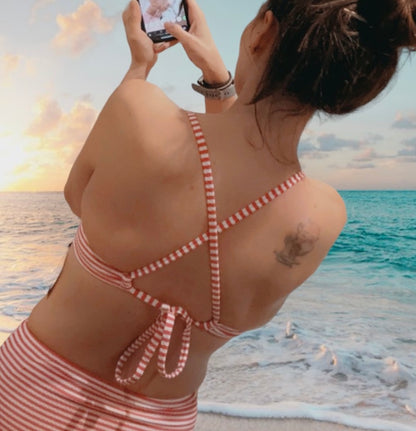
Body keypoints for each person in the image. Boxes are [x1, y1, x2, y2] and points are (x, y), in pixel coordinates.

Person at [1, 0, 415, 429]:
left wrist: (140, 68)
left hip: (28, 388)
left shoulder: (138, 111)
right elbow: (239, 170)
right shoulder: (322, 217)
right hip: (160, 420)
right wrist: (220, 83)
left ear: (263, 31)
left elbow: (79, 197)